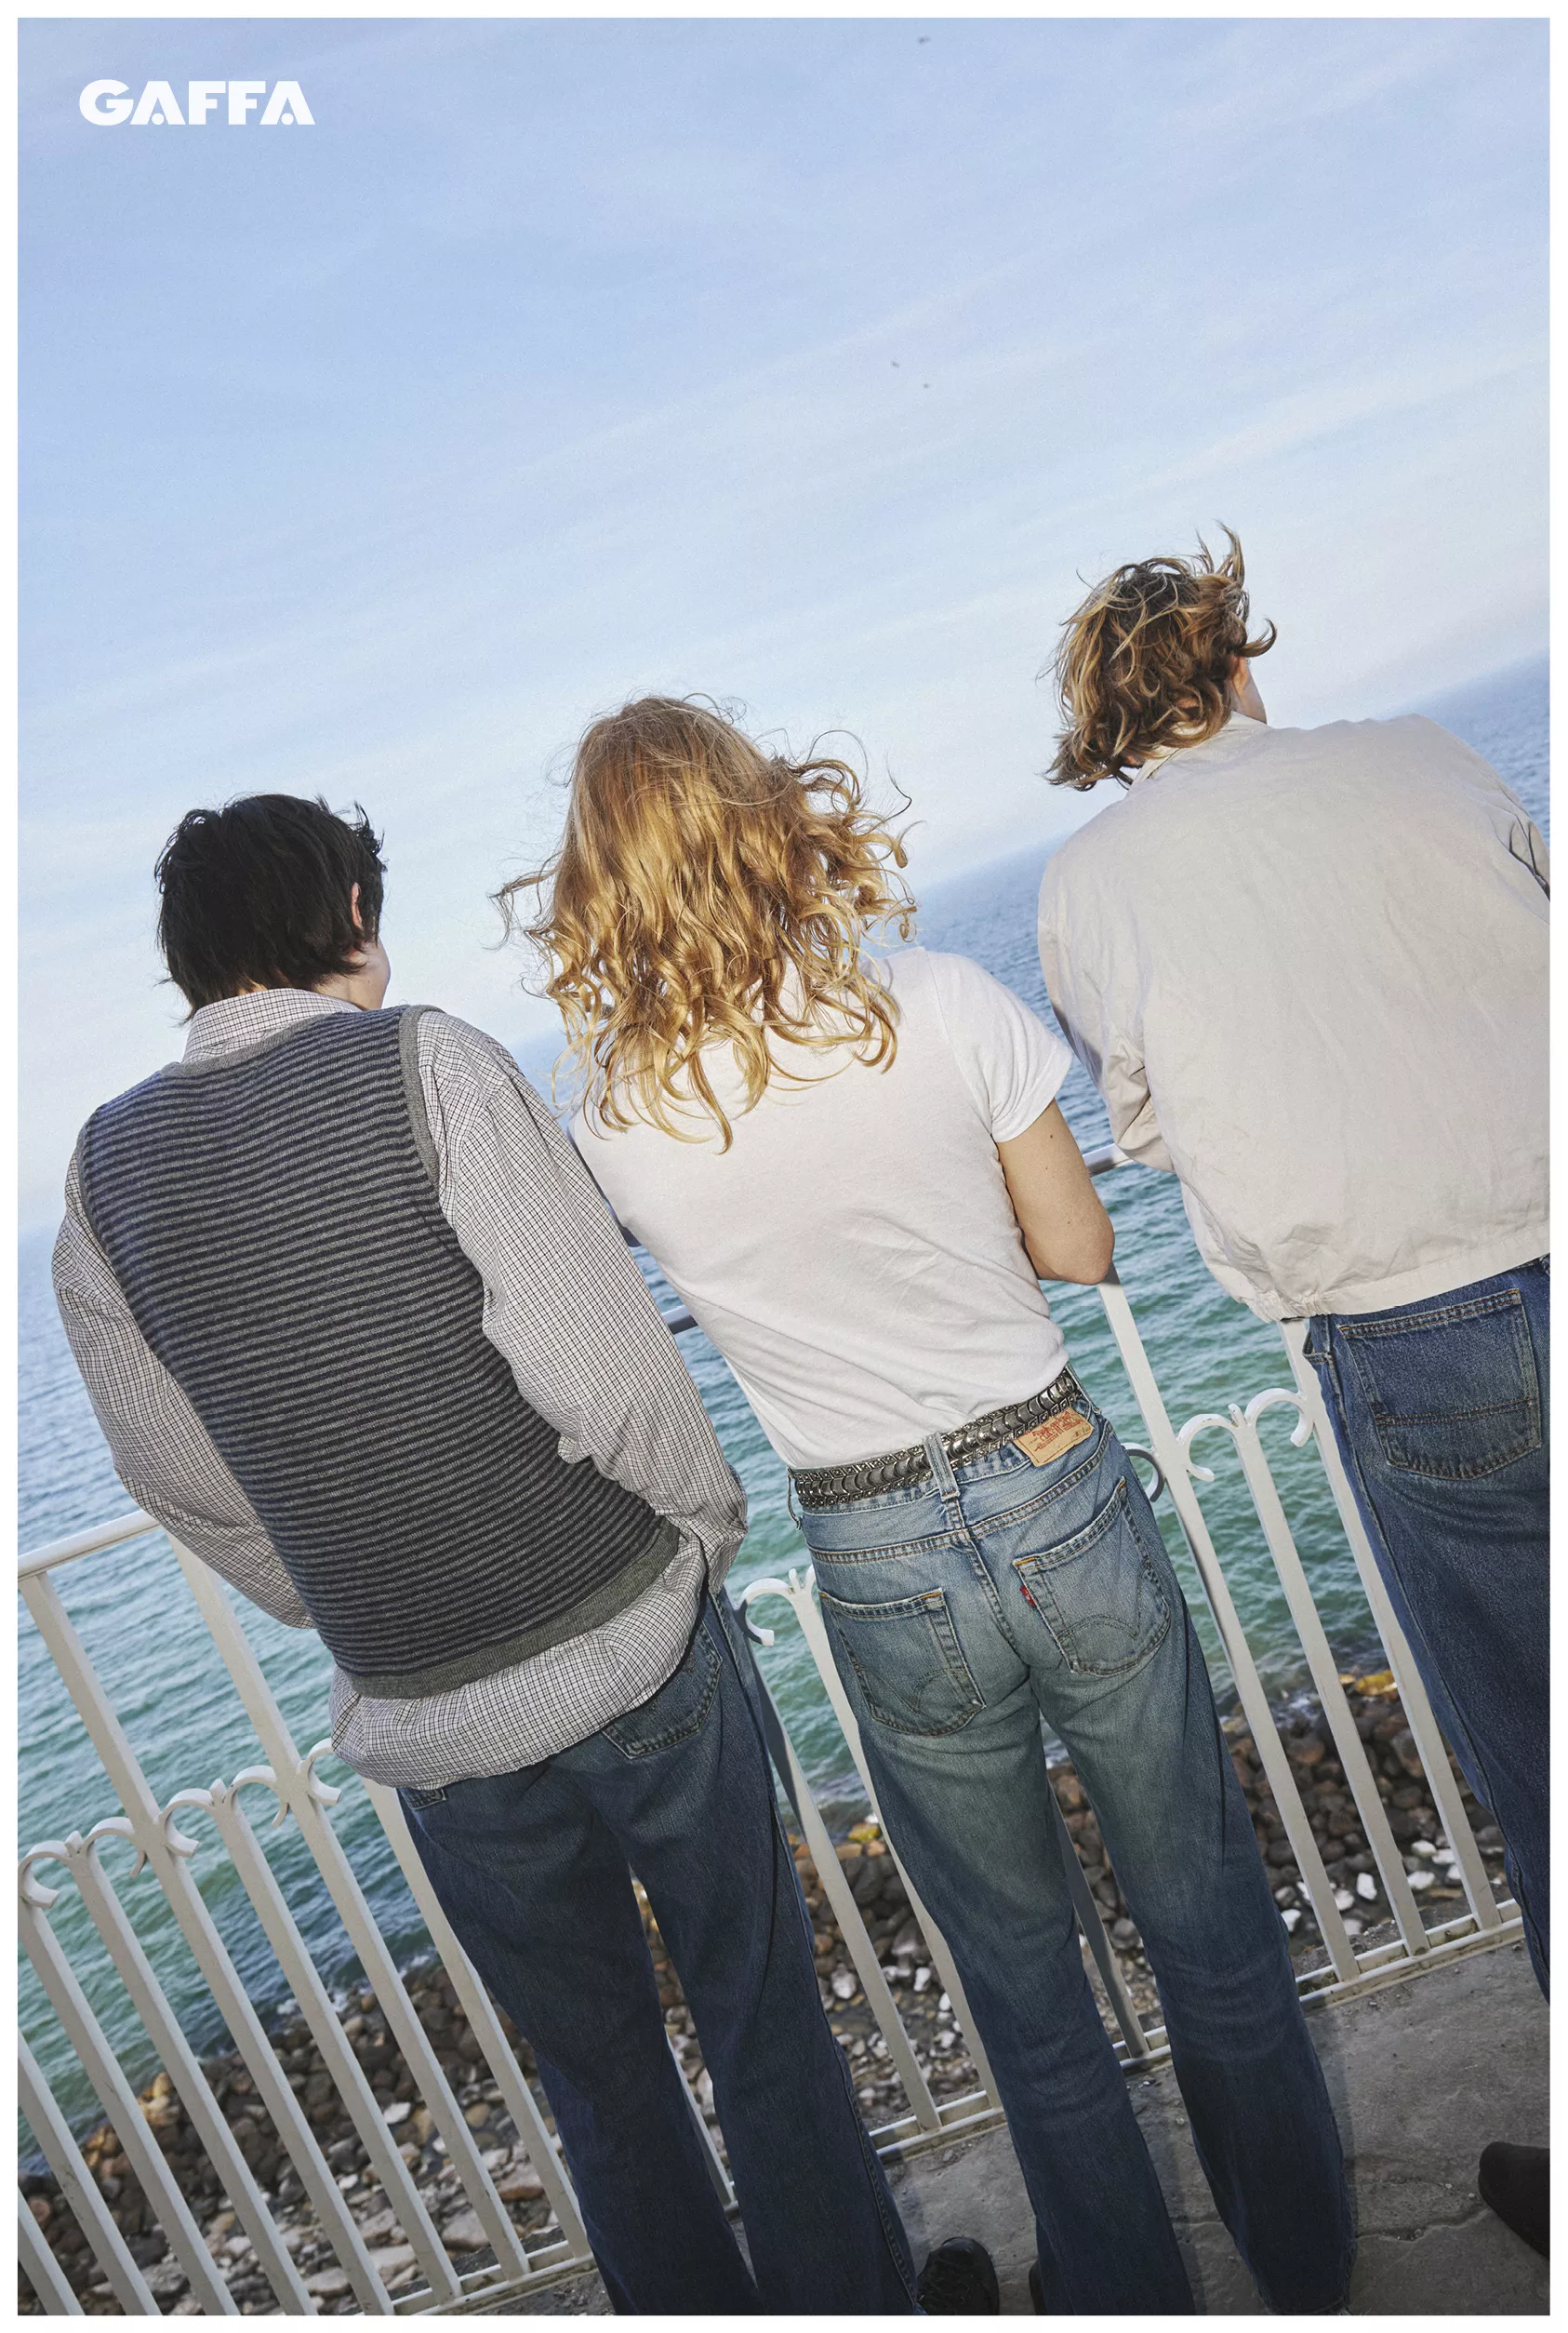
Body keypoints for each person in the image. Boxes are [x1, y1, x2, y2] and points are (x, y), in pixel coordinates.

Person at [512, 695, 1355, 2315]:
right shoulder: (937, 1001)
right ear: (770, 816)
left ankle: (1120, 2293)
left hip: (874, 1546)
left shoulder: (613, 1124)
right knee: (1207, 1925)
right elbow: (1080, 1250)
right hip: (1052, 1479)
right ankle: (1308, 2277)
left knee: (1028, 1993)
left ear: (600, 881)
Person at [53, 791, 929, 2315]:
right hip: (628, 1644)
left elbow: (170, 1471)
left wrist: (345, 1598)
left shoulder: (102, 1174)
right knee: (759, 2020)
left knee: (601, 2086)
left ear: (190, 956)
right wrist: (697, 1534)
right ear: (347, 913)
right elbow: (602, 1367)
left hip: (428, 1717)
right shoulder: (427, 1061)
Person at [1036, 532, 1549, 2259]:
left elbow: (1142, 1120)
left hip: (1411, 1330)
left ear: (1107, 717)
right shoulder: (1422, 752)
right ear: (1235, 656)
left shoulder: (1091, 884)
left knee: (1540, 1762)